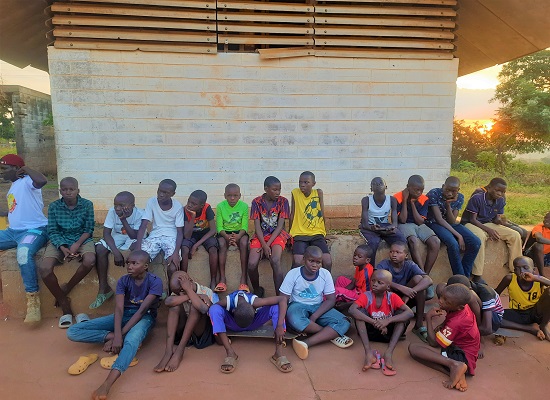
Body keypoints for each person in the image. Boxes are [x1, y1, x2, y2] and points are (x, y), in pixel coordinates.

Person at [67, 250, 162, 400]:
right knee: (73, 331)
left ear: (145, 266)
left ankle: (107, 383)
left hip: (144, 317)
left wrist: (121, 336)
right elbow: (118, 309)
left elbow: (142, 311)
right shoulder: (123, 280)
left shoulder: (155, 281)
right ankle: (113, 336)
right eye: (128, 263)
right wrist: (116, 336)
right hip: (123, 315)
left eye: (134, 263)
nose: (129, 266)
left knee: (132, 340)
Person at [39, 177, 96, 328]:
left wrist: (77, 245)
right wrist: (62, 247)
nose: (68, 192)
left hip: (81, 239)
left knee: (90, 260)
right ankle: (64, 303)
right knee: (44, 268)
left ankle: (67, 287)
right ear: (60, 191)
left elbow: (89, 229)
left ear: (78, 190)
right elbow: (52, 230)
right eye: (64, 189)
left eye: (71, 189)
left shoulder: (87, 205)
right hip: (60, 240)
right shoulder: (54, 206)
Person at [280, 246, 353, 360]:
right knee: (295, 319)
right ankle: (331, 334)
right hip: (297, 306)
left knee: (344, 322)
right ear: (303, 259)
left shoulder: (325, 274)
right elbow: (283, 299)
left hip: (318, 307)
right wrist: (280, 323)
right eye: (311, 261)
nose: (315, 265)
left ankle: (306, 343)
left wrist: (315, 316)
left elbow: (330, 299)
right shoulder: (293, 274)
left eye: (318, 262)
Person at [0, 154, 48, 323]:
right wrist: (5, 213)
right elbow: (17, 209)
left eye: (4, 168)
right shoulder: (14, 185)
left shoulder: (28, 181)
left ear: (16, 169)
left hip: (33, 231)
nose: (1, 172)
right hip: (12, 232)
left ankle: (33, 300)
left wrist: (26, 169)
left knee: (23, 253)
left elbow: (42, 181)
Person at [198, 287, 291, 373]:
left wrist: (279, 325)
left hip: (253, 322)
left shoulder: (256, 302)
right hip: (234, 323)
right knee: (214, 309)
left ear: (254, 309)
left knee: (277, 307)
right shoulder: (227, 301)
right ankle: (230, 353)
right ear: (233, 311)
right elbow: (212, 309)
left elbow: (282, 299)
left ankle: (278, 354)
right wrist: (205, 299)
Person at [408, 284, 480, 392]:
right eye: (442, 296)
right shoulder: (462, 307)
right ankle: (457, 372)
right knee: (423, 353)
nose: (440, 301)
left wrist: (428, 318)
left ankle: (454, 364)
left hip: (463, 356)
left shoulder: (456, 322)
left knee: (414, 349)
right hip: (465, 350)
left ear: (458, 307)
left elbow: (433, 343)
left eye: (446, 301)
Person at [349, 269, 414, 375]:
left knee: (402, 314)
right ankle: (368, 352)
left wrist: (387, 321)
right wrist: (375, 322)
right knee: (359, 313)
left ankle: (389, 353)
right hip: (371, 333)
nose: (374, 284)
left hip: (388, 333)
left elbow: (410, 313)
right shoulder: (367, 295)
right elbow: (351, 310)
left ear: (388, 287)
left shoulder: (392, 297)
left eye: (380, 282)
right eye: (373, 280)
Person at [154, 271, 218, 373]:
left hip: (201, 337)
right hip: (183, 332)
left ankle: (179, 351)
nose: (179, 293)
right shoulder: (178, 291)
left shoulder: (206, 291)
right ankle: (168, 351)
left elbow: (203, 309)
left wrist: (189, 291)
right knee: (174, 306)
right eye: (177, 292)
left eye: (182, 290)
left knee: (195, 307)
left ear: (190, 282)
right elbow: (168, 302)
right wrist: (188, 295)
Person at [460, 178, 522, 283]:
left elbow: (497, 219)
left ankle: (516, 269)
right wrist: (489, 230)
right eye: (497, 190)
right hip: (470, 223)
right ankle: (477, 275)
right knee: (480, 237)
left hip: (487, 223)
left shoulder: (501, 200)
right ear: (489, 188)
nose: (500, 193)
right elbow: (472, 219)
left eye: (503, 192)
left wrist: (501, 222)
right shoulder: (477, 198)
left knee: (515, 235)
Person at [90, 191, 143, 309]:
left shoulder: (140, 214)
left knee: (136, 251)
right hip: (117, 236)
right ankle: (104, 289)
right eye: (115, 205)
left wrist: (123, 219)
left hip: (134, 236)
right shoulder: (112, 212)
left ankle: (137, 289)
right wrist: (116, 252)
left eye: (122, 205)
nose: (118, 208)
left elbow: (134, 236)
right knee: (99, 248)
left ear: (132, 205)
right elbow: (106, 234)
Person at [376, 241, 432, 342]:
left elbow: (428, 280)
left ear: (406, 255)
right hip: (390, 300)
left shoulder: (410, 265)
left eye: (398, 252)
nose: (394, 254)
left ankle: (418, 325)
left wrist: (409, 293)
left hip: (405, 299)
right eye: (392, 251)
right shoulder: (385, 264)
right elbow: (375, 276)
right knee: (384, 284)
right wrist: (402, 288)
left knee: (418, 280)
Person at [425, 176, 481, 277]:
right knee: (453, 243)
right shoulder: (434, 193)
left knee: (475, 242)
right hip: (433, 223)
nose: (449, 193)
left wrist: (448, 205)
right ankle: (459, 277)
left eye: (453, 191)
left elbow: (452, 221)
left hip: (449, 224)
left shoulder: (460, 197)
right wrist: (459, 236)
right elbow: (439, 219)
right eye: (447, 190)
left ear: (458, 190)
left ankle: (465, 276)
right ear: (443, 186)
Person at [437, 274, 504, 358]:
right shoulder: (456, 288)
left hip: (493, 316)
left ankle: (481, 341)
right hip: (470, 312)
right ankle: (450, 322)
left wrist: (475, 336)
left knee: (471, 299)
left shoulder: (485, 294)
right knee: (442, 290)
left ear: (469, 289)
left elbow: (487, 328)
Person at [248, 176, 291, 297]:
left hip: (277, 235)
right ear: (266, 189)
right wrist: (263, 244)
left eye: (279, 190)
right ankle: (257, 290)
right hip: (261, 235)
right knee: (251, 264)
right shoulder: (256, 202)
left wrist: (267, 245)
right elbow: (257, 226)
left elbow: (280, 226)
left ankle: (280, 296)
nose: (278, 193)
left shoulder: (283, 202)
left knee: (275, 260)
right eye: (274, 190)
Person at [394, 175, 440, 283]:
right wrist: (405, 200)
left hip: (418, 225)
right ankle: (422, 274)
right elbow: (403, 220)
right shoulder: (397, 197)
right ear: (408, 187)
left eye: (421, 190)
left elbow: (420, 221)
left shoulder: (424, 199)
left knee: (435, 241)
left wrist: (412, 203)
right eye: (416, 190)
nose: (419, 192)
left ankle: (425, 274)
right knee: (413, 241)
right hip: (405, 225)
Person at [135, 179, 184, 282]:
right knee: (140, 261)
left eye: (166, 193)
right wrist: (138, 248)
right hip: (155, 236)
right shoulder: (151, 202)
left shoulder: (178, 206)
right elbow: (144, 225)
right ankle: (148, 290)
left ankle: (172, 295)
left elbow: (180, 232)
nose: (161, 194)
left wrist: (175, 253)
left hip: (171, 236)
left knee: (173, 266)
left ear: (173, 194)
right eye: (159, 191)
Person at [495, 256, 550, 341]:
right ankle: (530, 329)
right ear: (514, 271)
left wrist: (535, 278)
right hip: (518, 313)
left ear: (534, 270)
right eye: (517, 268)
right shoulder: (509, 279)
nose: (522, 271)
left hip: (536, 312)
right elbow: (495, 294)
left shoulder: (539, 280)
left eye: (525, 267)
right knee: (492, 317)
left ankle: (544, 325)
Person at [289, 171, 331, 270]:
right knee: (298, 261)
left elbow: (322, 214)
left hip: (316, 233)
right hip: (299, 233)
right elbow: (292, 214)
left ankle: (324, 284)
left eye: (306, 182)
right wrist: (289, 235)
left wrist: (324, 233)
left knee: (327, 260)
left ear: (313, 184)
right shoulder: (295, 193)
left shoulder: (318, 193)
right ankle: (294, 284)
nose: (302, 185)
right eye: (300, 182)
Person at [359, 177, 405, 265]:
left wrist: (391, 227)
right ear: (371, 188)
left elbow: (395, 223)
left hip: (384, 226)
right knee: (374, 242)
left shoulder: (392, 200)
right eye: (374, 183)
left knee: (401, 240)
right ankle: (370, 269)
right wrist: (373, 228)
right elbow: (364, 224)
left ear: (386, 186)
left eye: (380, 183)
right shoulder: (366, 200)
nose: (378, 184)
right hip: (370, 226)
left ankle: (398, 267)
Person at [181, 190, 219, 291]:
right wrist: (193, 216)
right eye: (189, 201)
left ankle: (213, 280)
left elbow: (213, 230)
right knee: (184, 248)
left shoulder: (207, 208)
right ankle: (184, 279)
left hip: (205, 234)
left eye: (194, 204)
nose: (189, 205)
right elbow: (187, 235)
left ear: (202, 205)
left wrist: (195, 245)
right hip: (192, 234)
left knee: (213, 249)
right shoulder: (185, 210)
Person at [215, 184, 249, 292]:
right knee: (221, 244)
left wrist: (238, 236)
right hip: (225, 232)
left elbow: (245, 226)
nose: (232, 198)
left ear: (240, 195)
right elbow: (219, 227)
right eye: (229, 195)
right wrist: (227, 237)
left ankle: (243, 279)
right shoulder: (220, 206)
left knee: (244, 243)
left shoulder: (244, 206)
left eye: (235, 195)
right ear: (225, 195)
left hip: (240, 232)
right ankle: (222, 279)